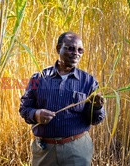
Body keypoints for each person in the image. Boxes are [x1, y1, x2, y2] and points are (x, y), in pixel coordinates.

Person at [19, 32, 105, 166]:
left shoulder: (89, 82)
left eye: (80, 50)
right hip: (45, 151)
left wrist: (97, 107)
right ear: (58, 48)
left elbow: (96, 120)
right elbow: (24, 108)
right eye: (70, 48)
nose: (76, 53)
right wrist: (36, 115)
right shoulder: (38, 78)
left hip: (76, 150)